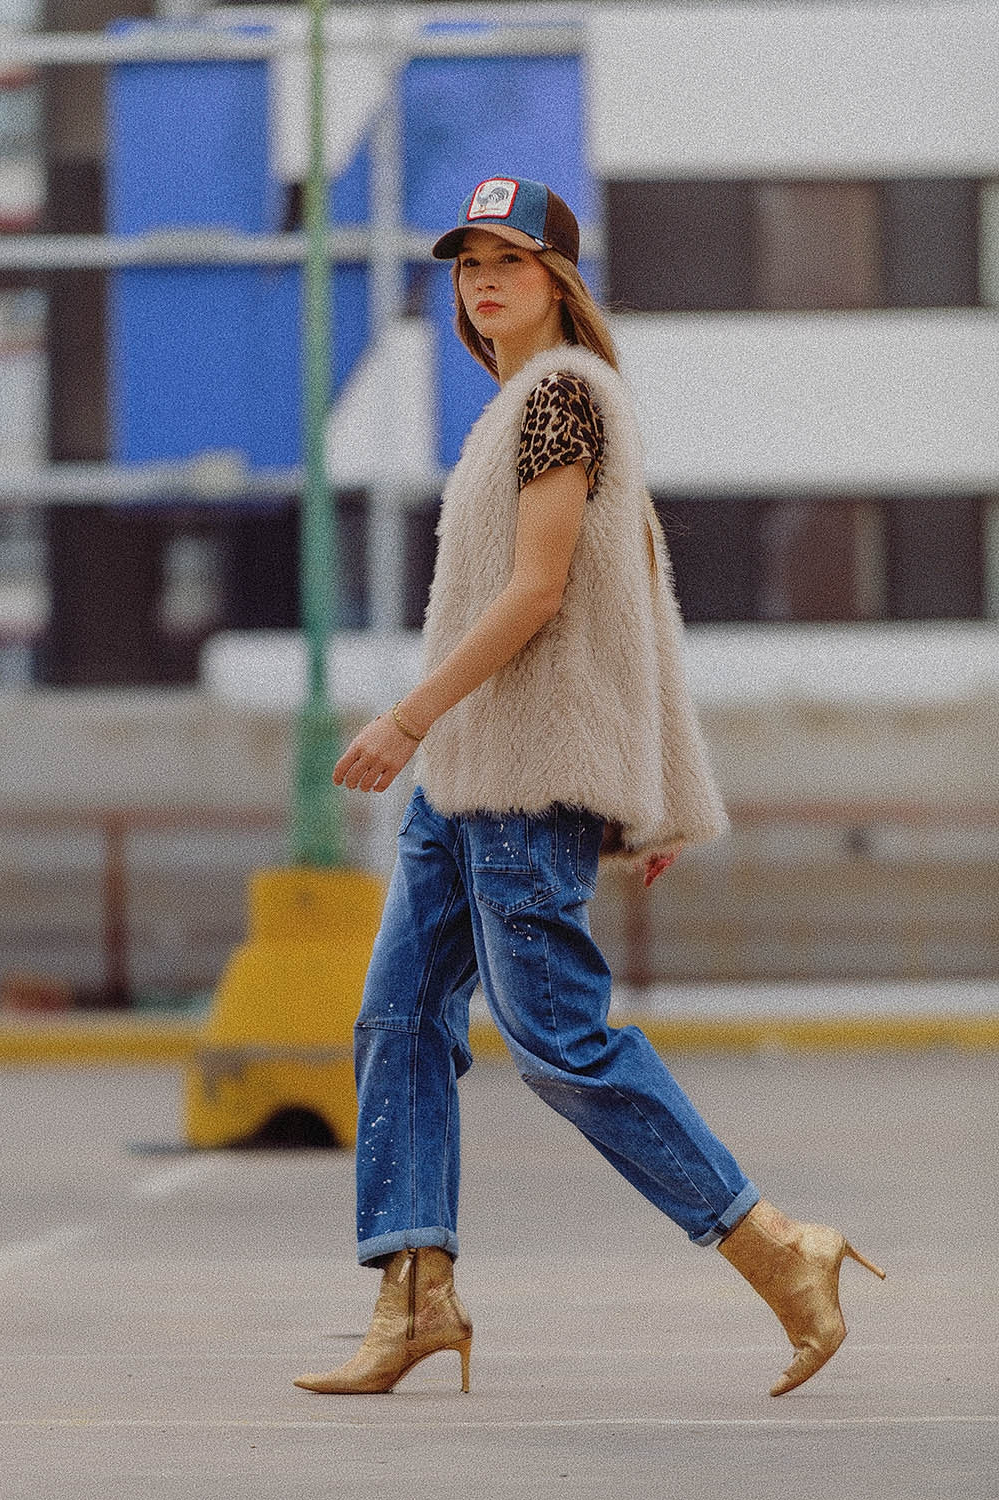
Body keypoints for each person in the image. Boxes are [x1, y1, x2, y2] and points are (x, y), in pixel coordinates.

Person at [293, 176, 884, 1400]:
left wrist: (409, 719)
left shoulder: (562, 398)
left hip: (515, 785)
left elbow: (545, 597)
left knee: (554, 1039)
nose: (482, 281)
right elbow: (641, 606)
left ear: (559, 279)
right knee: (396, 1022)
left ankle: (778, 1250)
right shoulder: (520, 409)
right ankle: (413, 1299)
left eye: (507, 261)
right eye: (464, 265)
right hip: (464, 789)